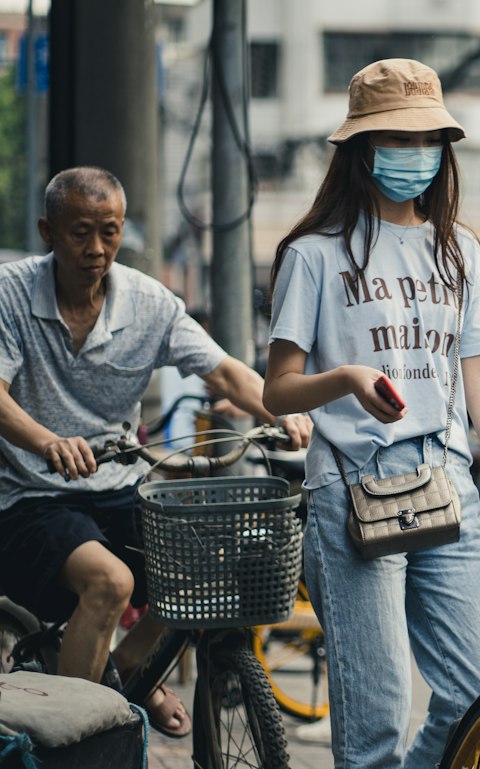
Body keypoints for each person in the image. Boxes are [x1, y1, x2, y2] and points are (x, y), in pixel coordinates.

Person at [261, 59, 480, 769]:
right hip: (351, 485)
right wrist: (344, 381)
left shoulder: (461, 254)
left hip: (450, 488)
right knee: (376, 706)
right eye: (396, 140)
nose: (414, 155)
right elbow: (277, 387)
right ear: (361, 148)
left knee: (478, 695)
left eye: (428, 140)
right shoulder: (316, 254)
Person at [0, 166, 312, 736]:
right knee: (111, 582)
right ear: (48, 231)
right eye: (80, 233)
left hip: (117, 489)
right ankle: (76, 754)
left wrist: (283, 411)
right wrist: (47, 441)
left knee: (208, 570)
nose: (97, 248)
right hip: (30, 498)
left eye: (110, 232)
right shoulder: (10, 294)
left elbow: (227, 375)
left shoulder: (150, 304)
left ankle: (125, 670)